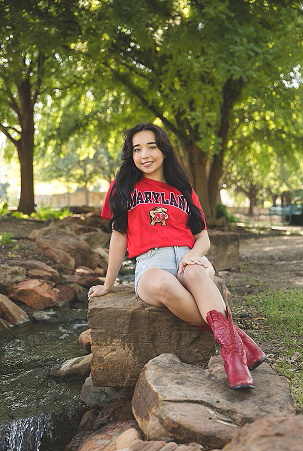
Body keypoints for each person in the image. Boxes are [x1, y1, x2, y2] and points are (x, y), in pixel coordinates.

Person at [88, 123, 264, 389]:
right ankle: (238, 342)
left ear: (164, 151)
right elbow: (118, 237)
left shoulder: (184, 191)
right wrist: (107, 285)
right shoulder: (122, 187)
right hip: (151, 264)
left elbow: (202, 237)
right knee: (163, 284)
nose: (144, 155)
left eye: (151, 147)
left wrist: (192, 254)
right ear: (131, 155)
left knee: (194, 271)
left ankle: (233, 361)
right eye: (137, 149)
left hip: (186, 258)